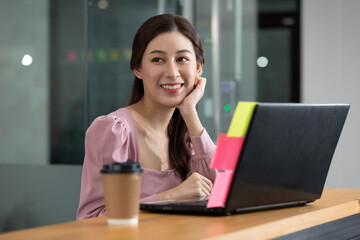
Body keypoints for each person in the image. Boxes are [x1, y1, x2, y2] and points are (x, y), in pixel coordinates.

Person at [77, 14, 217, 220]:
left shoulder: (188, 137)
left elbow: (219, 195)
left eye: (182, 59)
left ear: (198, 68)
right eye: (158, 60)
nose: (172, 72)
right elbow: (92, 218)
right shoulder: (113, 131)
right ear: (138, 69)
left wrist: (190, 112)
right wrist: (171, 196)